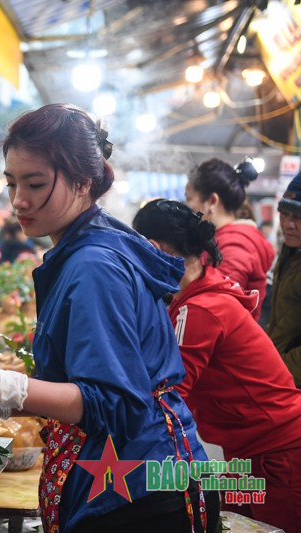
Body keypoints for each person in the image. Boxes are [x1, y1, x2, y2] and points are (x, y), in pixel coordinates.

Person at [0, 104, 217, 533]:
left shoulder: (93, 264)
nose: (18, 200)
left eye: (36, 183)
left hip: (141, 494)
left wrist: (11, 386)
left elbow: (113, 401)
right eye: (11, 183)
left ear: (84, 182)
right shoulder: (87, 247)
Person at [134, 198, 301, 533]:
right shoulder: (196, 295)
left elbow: (169, 392)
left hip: (277, 453)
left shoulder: (201, 309)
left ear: (152, 248)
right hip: (253, 449)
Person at [184, 158, 274, 320]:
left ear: (212, 201)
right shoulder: (221, 239)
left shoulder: (235, 245)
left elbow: (217, 311)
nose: (187, 206)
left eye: (190, 199)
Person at [267, 172, 301, 386]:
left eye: (298, 216)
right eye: (284, 214)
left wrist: (274, 370)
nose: (289, 224)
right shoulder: (290, 253)